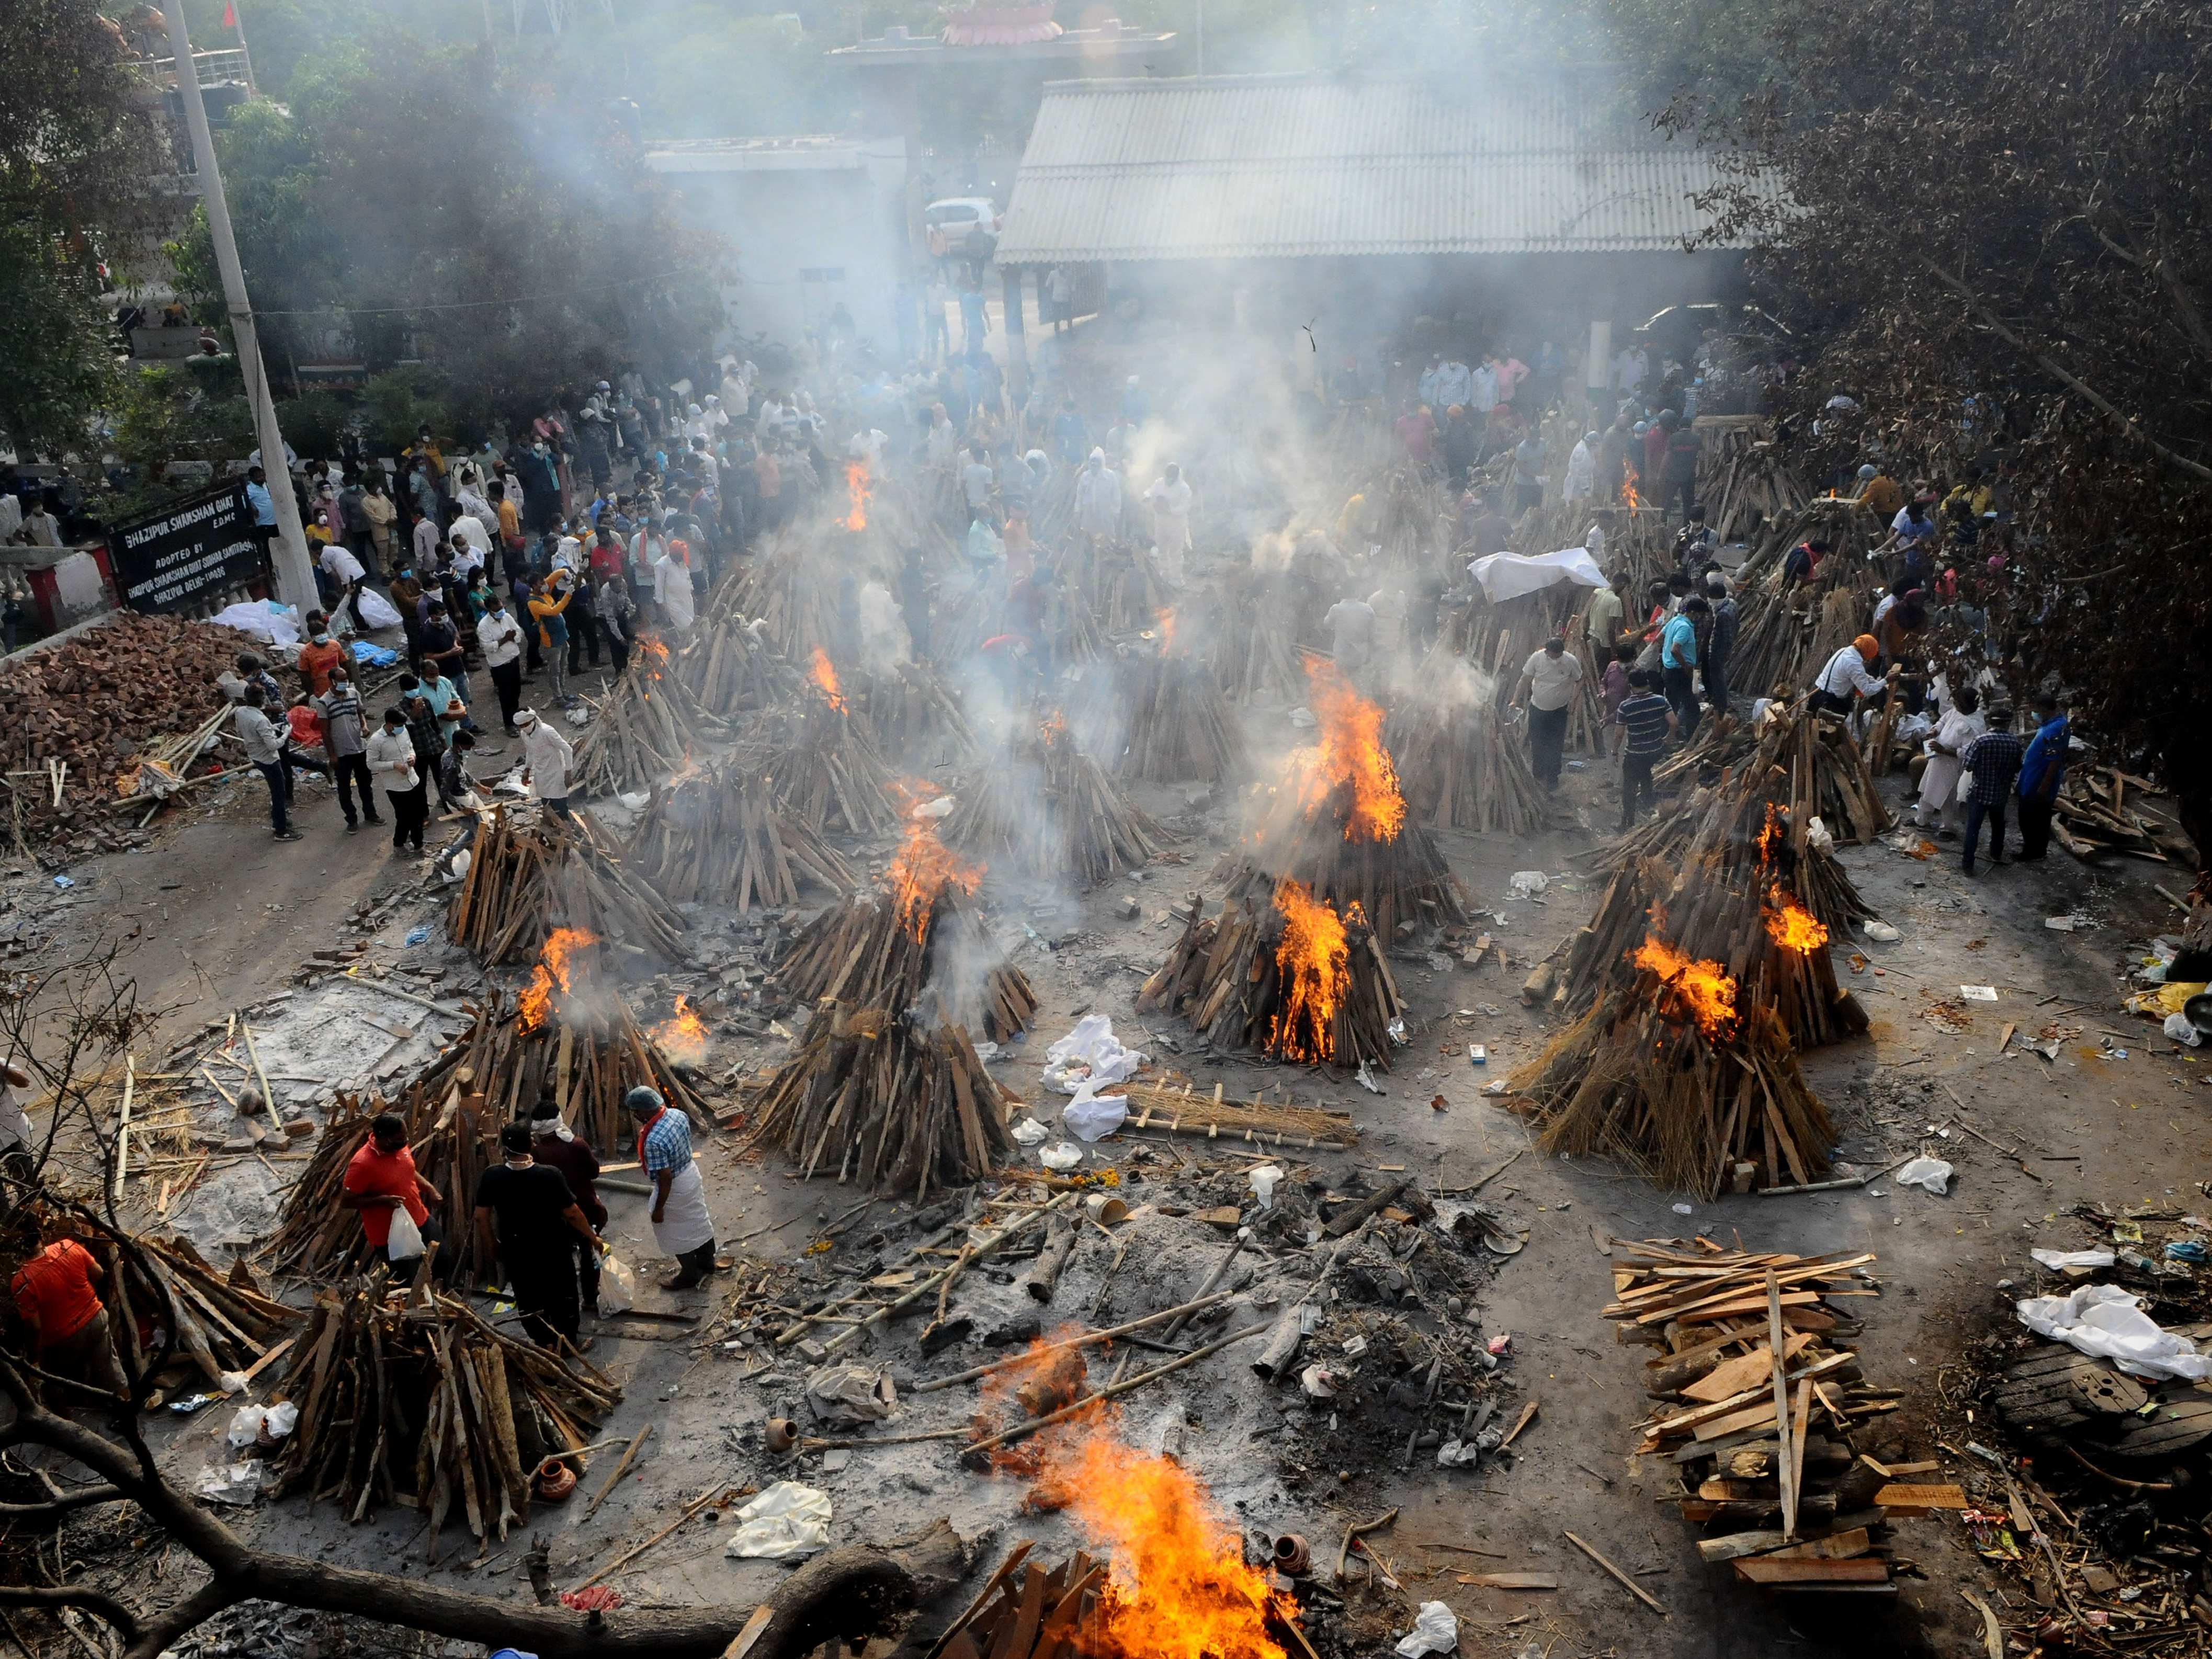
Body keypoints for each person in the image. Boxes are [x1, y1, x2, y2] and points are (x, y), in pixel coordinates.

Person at [473, 1121, 603, 1351]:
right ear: (531, 1145)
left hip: (516, 1247)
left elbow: (481, 1216)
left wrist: (492, 1244)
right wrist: (593, 1238)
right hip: (552, 1246)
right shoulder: (549, 1175)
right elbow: (572, 1213)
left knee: (528, 1293)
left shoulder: (492, 1176)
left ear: (505, 1148)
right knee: (562, 1292)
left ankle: (543, 1342)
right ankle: (568, 1343)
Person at [11, 1233, 127, 1405]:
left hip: (62, 1338)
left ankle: (67, 1428)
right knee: (111, 1372)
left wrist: (33, 1360)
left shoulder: (23, 1281)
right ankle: (130, 1418)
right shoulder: (67, 1247)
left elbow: (34, 1328)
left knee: (52, 1384)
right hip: (96, 1319)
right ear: (41, 1237)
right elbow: (99, 1273)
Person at [628, 1086, 718, 1289]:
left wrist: (659, 1208)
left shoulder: (654, 1141)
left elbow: (665, 1177)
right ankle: (707, 1262)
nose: (636, 1116)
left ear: (644, 1111)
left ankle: (689, 1274)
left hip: (675, 1185)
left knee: (674, 1230)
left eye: (637, 1112)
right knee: (697, 1218)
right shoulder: (677, 1114)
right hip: (691, 1174)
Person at [339, 1111, 447, 1279]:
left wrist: (430, 1189)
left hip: (420, 1218)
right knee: (409, 1278)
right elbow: (346, 1201)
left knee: (442, 1261)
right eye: (400, 1138)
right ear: (383, 1139)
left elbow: (408, 1171)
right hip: (390, 1234)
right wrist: (382, 1201)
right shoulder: (362, 1164)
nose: (405, 1141)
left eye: (405, 1136)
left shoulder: (399, 1146)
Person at [529, 1097, 606, 1319]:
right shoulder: (577, 1145)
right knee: (589, 1252)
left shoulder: (536, 1154)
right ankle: (591, 1298)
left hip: (554, 1215)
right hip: (585, 1207)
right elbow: (594, 1172)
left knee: (562, 1260)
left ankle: (568, 1302)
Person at [1959, 706, 2025, 876]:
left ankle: (1968, 865)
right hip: (2001, 793)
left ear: (1990, 722)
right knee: (1998, 826)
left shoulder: (1981, 741)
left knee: (1973, 829)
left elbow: (1968, 766)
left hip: (1979, 791)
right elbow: (2018, 767)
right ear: (2008, 724)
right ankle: (1995, 853)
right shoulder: (2015, 743)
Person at [1511, 637, 1583, 789]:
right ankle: (1538, 772)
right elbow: (1525, 679)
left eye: (1559, 655)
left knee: (1555, 744)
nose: (1556, 658)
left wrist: (1573, 700)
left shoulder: (1570, 661)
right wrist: (1515, 700)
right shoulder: (1537, 658)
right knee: (1537, 742)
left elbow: (1580, 679)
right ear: (1547, 652)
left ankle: (1553, 777)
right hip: (1538, 708)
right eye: (1553, 655)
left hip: (1559, 711)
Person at [314, 667, 379, 834]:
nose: (344, 682)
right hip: (341, 753)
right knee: (344, 789)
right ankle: (351, 819)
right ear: (333, 681)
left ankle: (370, 814)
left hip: (359, 747)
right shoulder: (324, 702)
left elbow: (360, 714)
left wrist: (364, 727)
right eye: (341, 680)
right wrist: (332, 754)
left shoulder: (353, 694)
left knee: (366, 784)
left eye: (346, 678)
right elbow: (325, 731)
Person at [233, 686, 301, 842]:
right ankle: (281, 830)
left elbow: (240, 732)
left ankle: (279, 821)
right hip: (269, 758)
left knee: (276, 790)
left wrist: (271, 728)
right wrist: (286, 734)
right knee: (279, 793)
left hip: (255, 755)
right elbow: (273, 745)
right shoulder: (261, 720)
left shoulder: (241, 712)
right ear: (262, 699)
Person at [1915, 685, 1984, 835]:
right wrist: (1934, 731)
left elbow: (1968, 752)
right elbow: (1942, 722)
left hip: (1952, 764)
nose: (1955, 706)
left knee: (1947, 796)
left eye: (1958, 704)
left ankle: (1948, 827)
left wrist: (1944, 750)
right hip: (1937, 759)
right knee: (1927, 789)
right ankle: (1922, 820)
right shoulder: (1956, 712)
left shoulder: (1973, 726)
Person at [1612, 669, 1676, 828]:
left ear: (1631, 686)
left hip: (1635, 753)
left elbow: (1619, 733)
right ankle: (1648, 810)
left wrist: (1614, 752)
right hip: (1655, 750)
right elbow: (1674, 723)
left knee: (1629, 787)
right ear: (1647, 683)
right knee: (1646, 776)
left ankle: (1627, 822)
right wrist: (1667, 739)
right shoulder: (1661, 700)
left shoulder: (1626, 706)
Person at [2016, 691, 2070, 861]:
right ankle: (2033, 848)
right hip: (2032, 776)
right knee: (2033, 817)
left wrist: (2044, 786)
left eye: (2036, 710)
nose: (2034, 714)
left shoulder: (2055, 730)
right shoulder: (2052, 725)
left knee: (2033, 818)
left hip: (2039, 780)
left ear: (2043, 709)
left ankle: (2034, 852)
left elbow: (2054, 760)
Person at [367, 706, 427, 855]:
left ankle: (419, 845)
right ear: (389, 724)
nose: (402, 728)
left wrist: (413, 757)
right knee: (404, 817)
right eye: (399, 726)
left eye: (403, 726)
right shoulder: (376, 741)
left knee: (419, 815)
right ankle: (399, 844)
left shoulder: (404, 731)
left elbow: (410, 748)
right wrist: (394, 765)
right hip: (396, 787)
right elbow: (371, 764)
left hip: (413, 780)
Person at [1810, 634, 1895, 717]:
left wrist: (1874, 681)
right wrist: (1886, 680)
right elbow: (1867, 691)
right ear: (1868, 652)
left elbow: (1859, 674)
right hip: (1829, 703)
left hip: (1817, 694)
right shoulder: (1854, 664)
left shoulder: (1844, 651)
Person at [478, 590, 525, 736]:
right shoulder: (483, 626)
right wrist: (505, 639)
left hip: (513, 658)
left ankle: (516, 717)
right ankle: (509, 724)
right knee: (506, 695)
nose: (501, 611)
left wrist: (513, 637)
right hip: (499, 664)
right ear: (490, 610)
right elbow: (487, 647)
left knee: (516, 690)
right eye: (497, 610)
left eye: (501, 607)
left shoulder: (507, 617)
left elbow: (518, 632)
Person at [515, 708, 575, 822]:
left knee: (560, 805)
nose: (523, 728)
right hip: (541, 773)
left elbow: (567, 749)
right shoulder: (525, 734)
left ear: (533, 719)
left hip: (556, 772)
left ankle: (566, 830)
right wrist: (527, 769)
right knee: (546, 805)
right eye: (521, 726)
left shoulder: (547, 732)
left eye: (526, 724)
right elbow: (530, 752)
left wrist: (568, 773)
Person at [1660, 597, 1705, 740]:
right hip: (1679, 672)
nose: (1700, 618)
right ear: (1693, 612)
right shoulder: (1685, 627)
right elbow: (1675, 650)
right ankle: (1691, 738)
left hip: (1668, 669)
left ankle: (1668, 734)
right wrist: (1686, 666)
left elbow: (1661, 637)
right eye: (1700, 615)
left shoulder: (1674, 621)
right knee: (1692, 707)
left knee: (1672, 705)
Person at [528, 573, 575, 706]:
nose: (545, 584)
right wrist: (568, 595)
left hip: (562, 635)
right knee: (555, 670)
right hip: (552, 640)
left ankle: (564, 692)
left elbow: (553, 578)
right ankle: (558, 698)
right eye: (541, 583)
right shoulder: (534, 603)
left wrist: (564, 573)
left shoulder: (545, 593)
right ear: (534, 586)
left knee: (563, 667)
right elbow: (554, 611)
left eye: (544, 582)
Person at [1143, 463, 1193, 587]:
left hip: (1177, 524)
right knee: (1162, 550)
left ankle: (1176, 578)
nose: (1169, 479)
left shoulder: (1184, 488)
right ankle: (1165, 575)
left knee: (1175, 552)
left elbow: (1185, 506)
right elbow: (1151, 491)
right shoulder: (1160, 483)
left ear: (1177, 476)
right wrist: (1147, 496)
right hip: (1161, 522)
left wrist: (1170, 511)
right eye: (1168, 475)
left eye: (1172, 476)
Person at [1704, 574, 1739, 719]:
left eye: (1710, 596)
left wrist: (1716, 655)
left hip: (1719, 651)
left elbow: (1724, 638)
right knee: (1720, 676)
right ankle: (1720, 702)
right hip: (1725, 649)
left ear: (1716, 596)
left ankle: (1721, 706)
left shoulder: (1722, 614)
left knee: (1718, 678)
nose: (1709, 600)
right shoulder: (1732, 604)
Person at [1323, 589, 1377, 676]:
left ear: (1342, 594)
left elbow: (1326, 623)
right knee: (1355, 682)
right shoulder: (1368, 610)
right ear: (1358, 594)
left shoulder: (1336, 609)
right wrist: (1370, 654)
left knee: (1340, 682)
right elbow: (1372, 636)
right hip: (1360, 657)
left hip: (1341, 656)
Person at [1073, 448, 1120, 539]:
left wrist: (1116, 512)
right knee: (1087, 540)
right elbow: (1080, 496)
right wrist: (1077, 511)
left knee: (1107, 539)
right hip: (1088, 515)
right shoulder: (1085, 477)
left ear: (1102, 463)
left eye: (1096, 463)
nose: (1094, 465)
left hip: (1105, 515)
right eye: (1092, 462)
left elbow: (1116, 496)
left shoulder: (1110, 476)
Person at [653, 540, 696, 633]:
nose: (682, 556)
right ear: (674, 554)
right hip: (673, 602)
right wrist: (661, 606)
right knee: (685, 626)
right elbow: (659, 587)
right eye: (680, 554)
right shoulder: (661, 565)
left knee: (692, 625)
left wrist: (692, 591)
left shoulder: (682, 561)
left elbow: (688, 578)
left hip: (687, 600)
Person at [900, 547, 932, 661]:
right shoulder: (910, 575)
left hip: (919, 612)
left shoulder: (914, 573)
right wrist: (933, 588)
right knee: (919, 643)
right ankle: (918, 666)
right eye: (919, 556)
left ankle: (923, 666)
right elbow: (920, 595)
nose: (921, 559)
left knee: (922, 641)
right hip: (916, 614)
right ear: (914, 559)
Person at [1585, 574, 1625, 652]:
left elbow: (1585, 614)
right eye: (1624, 587)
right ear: (1622, 584)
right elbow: (1611, 628)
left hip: (1592, 637)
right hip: (1603, 643)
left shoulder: (1597, 592)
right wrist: (1614, 649)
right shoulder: (1615, 601)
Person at [1511, 429, 1547, 516]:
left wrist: (1545, 469)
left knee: (1537, 506)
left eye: (1538, 439)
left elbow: (1546, 456)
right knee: (1524, 508)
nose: (1536, 441)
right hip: (1524, 484)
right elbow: (1520, 467)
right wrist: (1535, 477)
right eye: (1534, 440)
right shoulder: (1522, 448)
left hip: (1538, 483)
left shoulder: (1542, 443)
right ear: (1529, 438)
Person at [1563, 430, 1597, 504]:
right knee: (1576, 502)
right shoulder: (1581, 453)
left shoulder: (1587, 448)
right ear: (1590, 442)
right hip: (1577, 483)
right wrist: (1587, 490)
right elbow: (1580, 475)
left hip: (1584, 481)